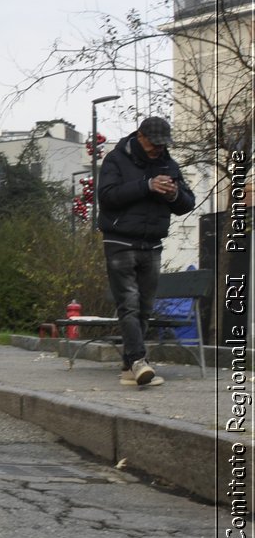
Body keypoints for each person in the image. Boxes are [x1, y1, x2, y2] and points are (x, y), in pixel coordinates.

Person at [96, 116, 196, 386]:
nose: (158, 149)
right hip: (120, 242)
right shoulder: (116, 160)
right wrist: (147, 185)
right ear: (140, 136)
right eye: (154, 144)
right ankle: (139, 360)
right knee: (128, 304)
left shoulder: (168, 163)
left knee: (144, 307)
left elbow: (188, 203)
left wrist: (173, 193)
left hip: (151, 243)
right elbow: (106, 196)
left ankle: (130, 368)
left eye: (162, 145)